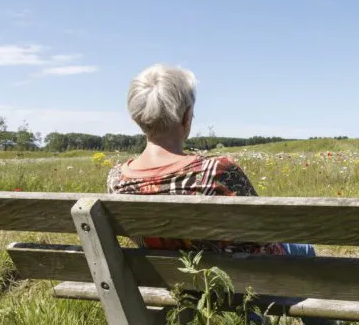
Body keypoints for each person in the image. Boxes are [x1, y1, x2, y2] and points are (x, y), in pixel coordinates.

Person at [106, 63, 315, 258]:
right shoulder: (217, 171)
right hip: (241, 283)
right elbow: (265, 229)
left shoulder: (116, 180)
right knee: (305, 249)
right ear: (187, 117)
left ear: (137, 118)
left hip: (173, 281)